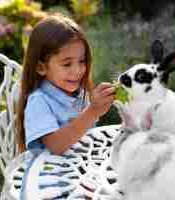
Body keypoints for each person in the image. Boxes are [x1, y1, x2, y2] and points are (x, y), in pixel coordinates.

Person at [16, 13, 115, 155]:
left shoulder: (79, 93)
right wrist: (92, 111)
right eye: (67, 64)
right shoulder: (39, 101)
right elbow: (55, 146)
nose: (78, 70)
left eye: (82, 61)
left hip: (83, 166)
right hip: (53, 174)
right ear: (41, 68)